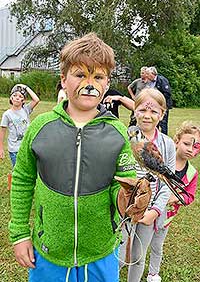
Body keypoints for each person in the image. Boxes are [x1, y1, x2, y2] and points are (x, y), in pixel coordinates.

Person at [9, 33, 137, 282]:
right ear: (63, 80)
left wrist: (127, 198)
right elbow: (23, 180)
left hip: (101, 251)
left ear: (107, 83)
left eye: (98, 77)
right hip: (49, 251)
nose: (90, 84)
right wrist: (20, 234)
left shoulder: (117, 131)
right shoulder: (41, 127)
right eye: (80, 75)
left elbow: (123, 183)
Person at [127, 88, 176, 282]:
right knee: (120, 256)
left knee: (138, 257)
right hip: (124, 207)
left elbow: (168, 182)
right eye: (142, 110)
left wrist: (155, 211)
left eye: (154, 111)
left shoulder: (167, 144)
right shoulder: (125, 137)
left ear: (162, 114)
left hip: (150, 209)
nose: (147, 116)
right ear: (134, 111)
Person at [146, 121, 200, 282]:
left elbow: (190, 196)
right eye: (186, 144)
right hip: (147, 212)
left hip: (166, 217)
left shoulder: (192, 173)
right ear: (176, 141)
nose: (190, 149)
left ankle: (153, 273)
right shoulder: (161, 160)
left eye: (196, 146)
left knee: (157, 246)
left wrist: (174, 197)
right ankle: (127, 262)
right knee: (138, 244)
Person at [0, 84, 40, 168]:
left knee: (28, 169)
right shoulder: (7, 114)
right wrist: (1, 148)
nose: (17, 97)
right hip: (14, 149)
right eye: (14, 95)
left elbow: (36, 100)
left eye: (20, 96)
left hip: (26, 147)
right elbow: (2, 131)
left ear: (23, 100)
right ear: (11, 98)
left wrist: (25, 87)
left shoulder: (26, 109)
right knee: (18, 170)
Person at [145, 67, 173, 135]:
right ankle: (155, 135)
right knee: (154, 120)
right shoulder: (149, 81)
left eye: (148, 74)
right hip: (154, 104)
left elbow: (168, 93)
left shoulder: (162, 80)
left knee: (163, 122)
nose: (146, 76)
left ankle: (164, 137)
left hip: (163, 105)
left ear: (153, 74)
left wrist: (159, 100)